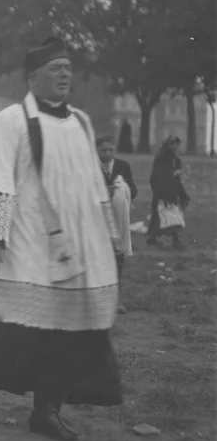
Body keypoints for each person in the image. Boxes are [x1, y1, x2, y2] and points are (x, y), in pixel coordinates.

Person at [0, 37, 123, 441]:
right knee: (14, 323)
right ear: (32, 78)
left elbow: (93, 183)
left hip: (77, 245)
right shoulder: (11, 120)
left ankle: (46, 413)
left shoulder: (81, 122)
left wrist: (109, 234)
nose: (65, 74)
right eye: (54, 68)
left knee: (73, 331)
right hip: (28, 239)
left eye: (68, 67)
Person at [96, 133, 136, 312]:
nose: (107, 154)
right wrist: (104, 192)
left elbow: (134, 189)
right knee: (97, 258)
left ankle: (116, 299)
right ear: (96, 150)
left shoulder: (123, 166)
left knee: (117, 258)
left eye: (110, 150)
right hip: (97, 219)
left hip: (117, 222)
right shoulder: (90, 167)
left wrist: (124, 189)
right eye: (103, 150)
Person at [147, 135, 189, 250]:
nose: (175, 147)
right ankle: (153, 238)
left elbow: (177, 179)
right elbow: (156, 177)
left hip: (173, 193)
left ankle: (175, 241)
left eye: (177, 144)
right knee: (159, 217)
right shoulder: (161, 159)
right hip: (162, 193)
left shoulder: (176, 160)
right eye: (173, 144)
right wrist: (159, 193)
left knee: (173, 217)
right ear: (168, 145)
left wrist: (182, 194)